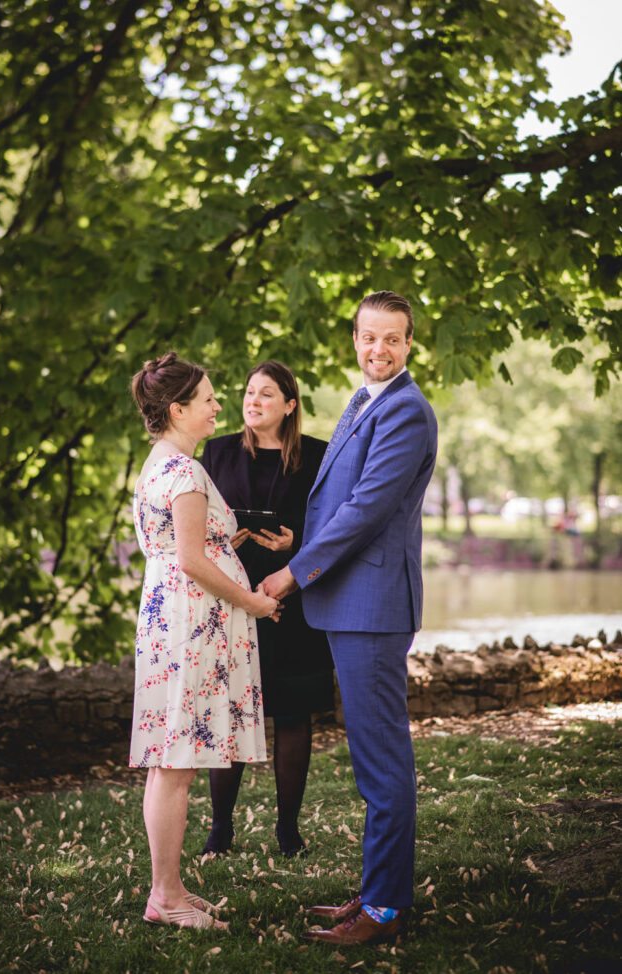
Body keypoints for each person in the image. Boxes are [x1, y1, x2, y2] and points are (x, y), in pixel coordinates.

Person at [262, 291, 438, 945]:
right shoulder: (366, 399)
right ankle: (373, 891)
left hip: (373, 606)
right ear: (355, 338)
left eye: (392, 339)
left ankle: (385, 908)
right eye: (369, 337)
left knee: (382, 761)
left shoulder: (406, 412)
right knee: (371, 760)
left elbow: (363, 510)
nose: (379, 349)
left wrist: (293, 571)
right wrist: (295, 546)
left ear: (410, 344)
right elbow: (333, 495)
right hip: (350, 604)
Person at [129, 352, 278, 931]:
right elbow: (190, 561)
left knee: (172, 761)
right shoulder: (186, 472)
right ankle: (164, 895)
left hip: (172, 619)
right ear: (177, 409)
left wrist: (224, 543)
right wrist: (256, 603)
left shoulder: (160, 463)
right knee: (174, 762)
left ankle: (172, 887)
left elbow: (182, 548)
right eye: (209, 398)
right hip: (190, 624)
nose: (220, 406)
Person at [200, 361, 333, 857]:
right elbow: (197, 526)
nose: (253, 401)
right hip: (233, 599)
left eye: (266, 394)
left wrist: (297, 543)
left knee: (294, 716)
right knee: (229, 713)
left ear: (289, 406)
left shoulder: (319, 456)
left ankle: (288, 831)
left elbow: (333, 527)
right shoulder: (216, 452)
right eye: (249, 392)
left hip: (292, 600)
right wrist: (222, 540)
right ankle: (220, 831)